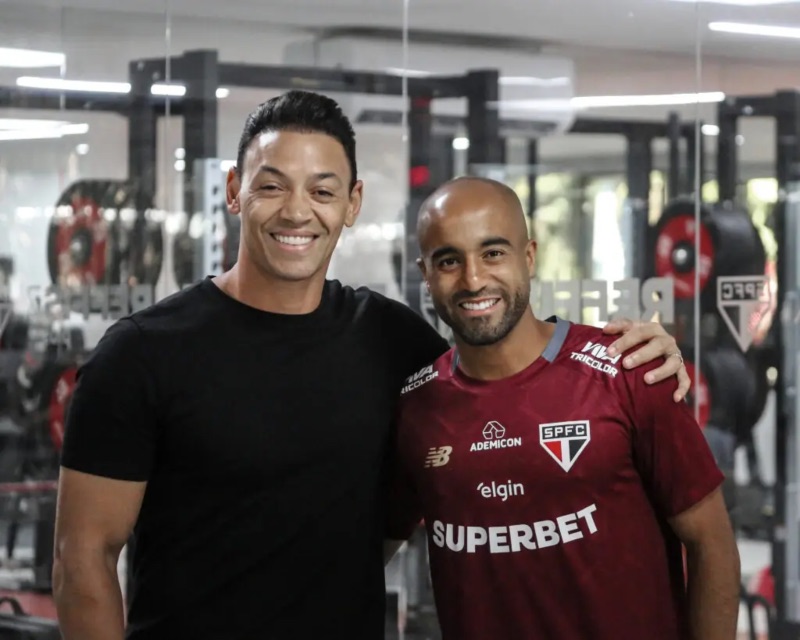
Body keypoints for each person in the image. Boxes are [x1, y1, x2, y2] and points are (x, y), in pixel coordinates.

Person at [51, 90, 690, 640]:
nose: (296, 211)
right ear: (233, 192)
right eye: (271, 185)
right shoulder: (142, 353)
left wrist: (633, 353)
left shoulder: (390, 339)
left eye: (322, 190)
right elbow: (82, 559)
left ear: (352, 203)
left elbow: (506, 361)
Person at [385, 177, 741, 640]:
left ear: (529, 256)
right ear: (426, 273)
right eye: (449, 260)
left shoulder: (628, 371)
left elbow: (712, 543)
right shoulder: (415, 406)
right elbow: (365, 550)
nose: (473, 279)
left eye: (493, 253)